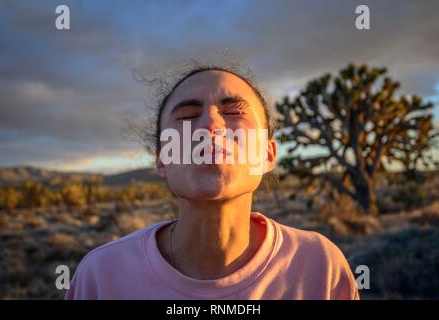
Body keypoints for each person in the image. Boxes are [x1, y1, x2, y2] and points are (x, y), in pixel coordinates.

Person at [65, 64, 359, 300]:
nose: (209, 125)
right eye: (188, 115)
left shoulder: (319, 266)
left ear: (268, 155)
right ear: (162, 160)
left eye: (234, 112)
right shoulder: (101, 276)